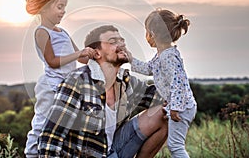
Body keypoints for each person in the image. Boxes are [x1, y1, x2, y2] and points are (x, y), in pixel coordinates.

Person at [38, 25, 168, 158]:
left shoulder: (126, 81)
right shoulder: (77, 82)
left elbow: (164, 96)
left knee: (163, 113)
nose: (121, 44)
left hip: (114, 151)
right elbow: (50, 138)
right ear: (97, 53)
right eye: (113, 42)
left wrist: (170, 62)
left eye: (122, 40)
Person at [23, 0, 95, 158]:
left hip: (66, 85)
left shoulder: (62, 32)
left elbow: (82, 58)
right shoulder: (42, 32)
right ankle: (31, 154)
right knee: (42, 121)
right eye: (59, 7)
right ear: (45, 7)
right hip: (50, 85)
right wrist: (79, 53)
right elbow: (53, 62)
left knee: (62, 124)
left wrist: (94, 52)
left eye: (64, 7)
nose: (63, 11)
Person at [130, 9, 197, 158]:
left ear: (152, 34)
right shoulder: (163, 54)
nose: (145, 36)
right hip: (180, 106)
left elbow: (178, 83)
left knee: (176, 146)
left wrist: (175, 107)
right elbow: (148, 69)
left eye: (146, 32)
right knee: (175, 145)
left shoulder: (168, 57)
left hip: (182, 108)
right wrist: (129, 59)